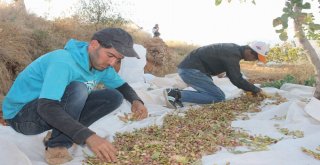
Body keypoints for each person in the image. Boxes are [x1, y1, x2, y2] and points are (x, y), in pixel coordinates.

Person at [2, 28, 148, 164]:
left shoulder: (101, 65)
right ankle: (57, 146)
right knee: (79, 88)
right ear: (94, 45)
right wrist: (88, 136)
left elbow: (121, 86)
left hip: (48, 111)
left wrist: (136, 100)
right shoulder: (63, 62)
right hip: (22, 117)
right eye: (110, 55)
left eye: (118, 59)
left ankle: (61, 134)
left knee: (113, 96)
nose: (112, 63)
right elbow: (46, 107)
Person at [163, 41, 269, 109]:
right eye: (256, 58)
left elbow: (214, 59)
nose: (254, 61)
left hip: (192, 68)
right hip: (191, 70)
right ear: (250, 51)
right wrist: (256, 90)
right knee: (219, 96)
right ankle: (175, 94)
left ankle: (177, 95)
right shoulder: (233, 54)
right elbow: (236, 79)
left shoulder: (233, 49)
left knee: (211, 91)